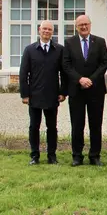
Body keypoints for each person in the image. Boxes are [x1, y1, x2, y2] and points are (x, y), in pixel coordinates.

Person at [63, 14, 107, 166]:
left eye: (86, 24)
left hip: (95, 90)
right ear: (76, 27)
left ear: (90, 25)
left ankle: (95, 156)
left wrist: (91, 79)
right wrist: (80, 79)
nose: (83, 27)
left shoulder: (100, 42)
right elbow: (66, 65)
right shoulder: (69, 43)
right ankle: (77, 156)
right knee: (77, 124)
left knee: (95, 124)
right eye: (80, 25)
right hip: (76, 90)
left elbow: (104, 63)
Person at [19, 21, 67, 165]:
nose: (47, 31)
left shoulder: (59, 50)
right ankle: (35, 156)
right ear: (39, 30)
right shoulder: (30, 50)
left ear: (53, 32)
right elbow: (23, 73)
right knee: (34, 126)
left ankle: (52, 156)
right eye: (44, 29)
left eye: (50, 29)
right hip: (34, 96)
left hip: (52, 95)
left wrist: (63, 92)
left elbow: (64, 73)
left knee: (52, 127)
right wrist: (25, 94)